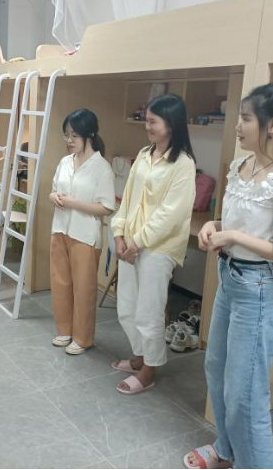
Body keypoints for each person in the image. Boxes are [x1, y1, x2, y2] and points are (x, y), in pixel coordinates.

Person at [184, 70, 273, 470]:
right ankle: (226, 450)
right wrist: (215, 226)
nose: (238, 125)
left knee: (246, 394)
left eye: (246, 118)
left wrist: (233, 236)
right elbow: (234, 221)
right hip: (231, 280)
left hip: (261, 289)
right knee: (216, 369)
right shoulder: (241, 167)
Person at [111, 93, 196, 395]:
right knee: (127, 306)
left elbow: (170, 214)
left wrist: (137, 242)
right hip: (130, 243)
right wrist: (119, 233)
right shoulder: (144, 154)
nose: (147, 126)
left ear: (171, 124)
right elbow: (128, 198)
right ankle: (139, 356)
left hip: (158, 248)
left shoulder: (183, 164)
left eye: (152, 121)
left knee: (149, 311)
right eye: (146, 120)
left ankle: (149, 370)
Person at [49, 109, 115, 355]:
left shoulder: (101, 168)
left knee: (84, 289)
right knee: (60, 283)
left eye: (74, 135)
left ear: (90, 135)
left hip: (85, 235)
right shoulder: (65, 162)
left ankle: (83, 338)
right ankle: (64, 330)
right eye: (67, 134)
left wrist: (74, 203)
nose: (69, 140)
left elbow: (106, 207)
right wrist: (54, 197)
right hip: (60, 229)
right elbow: (53, 190)